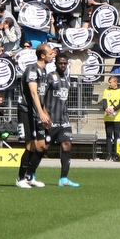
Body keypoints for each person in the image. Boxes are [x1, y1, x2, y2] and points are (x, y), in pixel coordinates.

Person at [15, 43, 55, 189]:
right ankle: (20, 178)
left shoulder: (44, 71)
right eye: (50, 53)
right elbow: (33, 93)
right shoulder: (32, 69)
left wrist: (45, 113)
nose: (52, 55)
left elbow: (42, 95)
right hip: (27, 111)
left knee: (43, 145)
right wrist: (40, 113)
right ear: (42, 55)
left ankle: (30, 176)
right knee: (31, 146)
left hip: (38, 113)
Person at [44, 53, 79, 187]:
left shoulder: (68, 78)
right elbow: (42, 96)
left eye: (65, 63)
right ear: (56, 63)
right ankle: (30, 174)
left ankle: (63, 178)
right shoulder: (50, 77)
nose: (63, 65)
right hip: (50, 119)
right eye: (60, 63)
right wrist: (44, 114)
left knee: (67, 144)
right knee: (43, 147)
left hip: (64, 119)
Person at [101, 75, 120, 162]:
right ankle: (108, 154)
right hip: (108, 117)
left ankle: (116, 154)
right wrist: (106, 109)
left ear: (115, 82)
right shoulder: (106, 91)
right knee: (108, 135)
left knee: (117, 136)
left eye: (110, 82)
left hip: (117, 117)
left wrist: (113, 109)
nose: (109, 84)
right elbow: (104, 102)